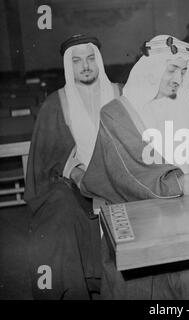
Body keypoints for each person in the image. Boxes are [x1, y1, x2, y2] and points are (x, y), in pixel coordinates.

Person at [81, 35, 189, 299]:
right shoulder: (116, 113)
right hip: (145, 211)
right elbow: (128, 172)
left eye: (184, 71)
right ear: (150, 70)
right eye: (172, 69)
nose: (178, 78)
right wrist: (175, 184)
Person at [24, 34, 122, 299]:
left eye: (91, 59)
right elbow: (48, 155)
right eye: (77, 61)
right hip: (74, 183)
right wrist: (77, 173)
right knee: (56, 216)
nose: (85, 66)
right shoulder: (56, 102)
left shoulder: (119, 94)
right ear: (69, 66)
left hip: (119, 177)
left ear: (98, 61)